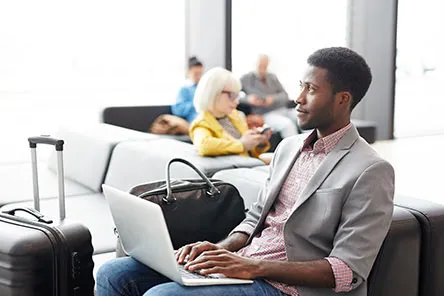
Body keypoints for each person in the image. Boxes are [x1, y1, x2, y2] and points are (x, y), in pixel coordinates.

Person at [96, 47, 394, 296]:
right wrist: (218, 249)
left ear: (342, 99)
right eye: (300, 85)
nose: (298, 98)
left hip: (288, 288)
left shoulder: (370, 170)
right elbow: (254, 219)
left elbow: (347, 271)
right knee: (113, 273)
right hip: (247, 264)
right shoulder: (289, 148)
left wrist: (253, 268)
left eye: (311, 89)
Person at [189, 67, 271, 159]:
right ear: (214, 93)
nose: (237, 102)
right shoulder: (202, 123)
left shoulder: (236, 116)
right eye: (232, 96)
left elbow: (249, 153)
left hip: (248, 166)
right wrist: (241, 144)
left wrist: (259, 142)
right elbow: (204, 146)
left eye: (238, 96)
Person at [240, 54, 299, 138]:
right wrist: (248, 99)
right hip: (266, 114)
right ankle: (296, 151)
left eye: (265, 66)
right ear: (255, 64)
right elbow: (234, 96)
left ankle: (315, 147)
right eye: (260, 66)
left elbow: (285, 96)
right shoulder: (245, 79)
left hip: (283, 109)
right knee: (287, 125)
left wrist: (273, 99)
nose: (262, 69)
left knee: (305, 118)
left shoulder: (273, 77)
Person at [171, 56, 204, 122]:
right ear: (189, 72)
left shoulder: (204, 88)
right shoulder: (185, 90)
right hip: (196, 122)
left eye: (200, 74)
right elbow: (177, 110)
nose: (199, 77)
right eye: (196, 74)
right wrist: (195, 104)